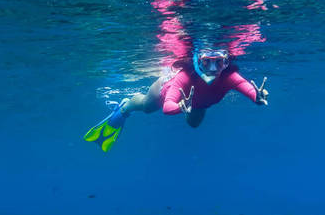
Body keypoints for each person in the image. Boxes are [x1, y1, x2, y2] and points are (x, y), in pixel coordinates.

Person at [84, 48, 268, 152]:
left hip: (196, 104)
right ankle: (124, 108)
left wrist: (256, 97)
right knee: (147, 106)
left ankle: (189, 109)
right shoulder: (184, 77)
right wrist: (180, 107)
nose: (213, 68)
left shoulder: (230, 77)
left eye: (219, 62)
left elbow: (248, 88)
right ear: (198, 61)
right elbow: (167, 106)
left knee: (194, 124)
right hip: (164, 92)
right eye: (207, 62)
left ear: (226, 63)